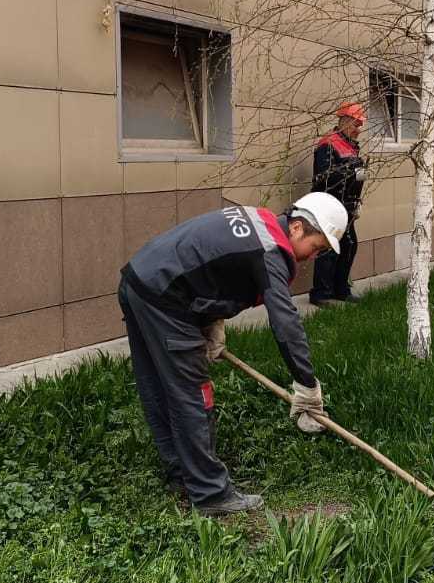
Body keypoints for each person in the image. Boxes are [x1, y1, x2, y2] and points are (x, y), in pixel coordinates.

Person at [118, 192, 347, 516]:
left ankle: (182, 474)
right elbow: (286, 325)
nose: (312, 257)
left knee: (157, 385)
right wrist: (307, 385)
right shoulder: (271, 251)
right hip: (164, 297)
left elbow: (214, 266)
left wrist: (209, 321)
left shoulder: (259, 222)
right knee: (192, 394)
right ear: (297, 227)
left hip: (140, 281)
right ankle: (210, 493)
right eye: (317, 247)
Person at [310, 102, 368, 306]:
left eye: (360, 125)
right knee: (328, 249)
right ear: (345, 121)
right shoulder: (328, 144)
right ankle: (321, 294)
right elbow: (323, 177)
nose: (359, 130)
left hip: (347, 207)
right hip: (329, 205)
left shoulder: (350, 145)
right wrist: (352, 171)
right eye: (356, 124)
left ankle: (341, 290)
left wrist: (356, 202)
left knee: (349, 245)